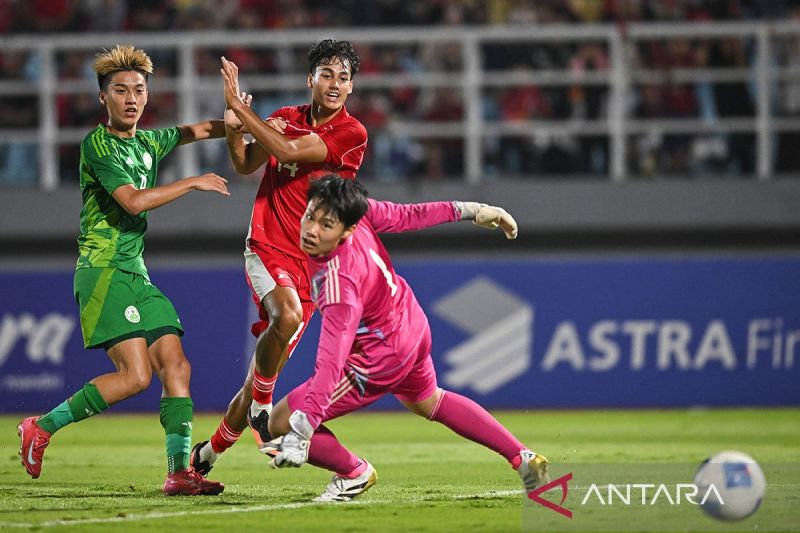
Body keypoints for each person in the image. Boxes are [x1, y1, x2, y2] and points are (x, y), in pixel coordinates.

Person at [17, 44, 228, 496]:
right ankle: (41, 427)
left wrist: (245, 120)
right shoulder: (98, 145)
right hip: (102, 271)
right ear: (103, 98)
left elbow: (203, 128)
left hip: (135, 273)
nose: (131, 98)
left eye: (138, 89)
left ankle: (178, 472)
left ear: (148, 96)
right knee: (136, 377)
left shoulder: (150, 141)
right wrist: (192, 181)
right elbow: (132, 200)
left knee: (177, 365)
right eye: (120, 90)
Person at [262, 174, 549, 502]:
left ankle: (354, 473)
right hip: (410, 325)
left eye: (326, 225)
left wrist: (303, 428)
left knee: (282, 421)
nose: (312, 229)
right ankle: (523, 458)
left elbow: (331, 360)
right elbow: (410, 215)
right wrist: (473, 209)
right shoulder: (359, 211)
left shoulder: (338, 282)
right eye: (310, 216)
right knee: (430, 400)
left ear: (347, 230)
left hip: (380, 356)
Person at [190, 39, 367, 475]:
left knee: (255, 382)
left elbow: (288, 151)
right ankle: (266, 405)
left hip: (313, 266)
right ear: (311, 80)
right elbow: (248, 162)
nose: (335, 83)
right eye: (327, 74)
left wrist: (238, 109)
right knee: (284, 319)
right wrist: (235, 130)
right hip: (267, 244)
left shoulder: (352, 133)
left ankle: (205, 456)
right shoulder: (286, 118)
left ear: (351, 87)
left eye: (343, 77)